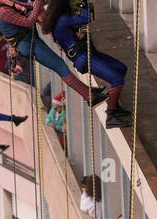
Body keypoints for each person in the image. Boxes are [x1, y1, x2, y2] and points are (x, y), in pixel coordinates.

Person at [0, 0, 108, 107]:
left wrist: (37, 4)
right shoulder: (2, 11)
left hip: (29, 40)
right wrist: (37, 4)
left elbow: (26, 8)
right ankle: (90, 97)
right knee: (60, 66)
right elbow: (28, 22)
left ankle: (88, 91)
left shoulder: (6, 4)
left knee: (59, 65)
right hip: (29, 45)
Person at [44, 0, 132, 128]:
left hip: (87, 54)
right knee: (117, 79)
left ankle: (114, 105)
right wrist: (84, 5)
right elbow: (86, 18)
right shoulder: (63, 20)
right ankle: (111, 115)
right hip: (83, 58)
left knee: (120, 68)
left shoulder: (58, 20)